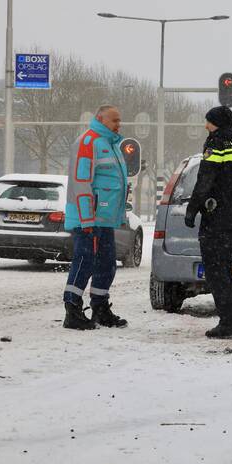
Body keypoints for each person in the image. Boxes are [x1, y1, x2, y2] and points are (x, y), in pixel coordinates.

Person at [185, 106, 232, 339]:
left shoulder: (215, 143)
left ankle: (228, 323)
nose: (206, 126)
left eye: (209, 122)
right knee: (226, 268)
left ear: (218, 123)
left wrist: (192, 209)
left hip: (215, 216)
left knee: (215, 270)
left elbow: (205, 178)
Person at [62, 105, 130, 330]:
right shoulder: (89, 142)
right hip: (88, 219)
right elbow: (82, 182)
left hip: (104, 219)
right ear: (100, 119)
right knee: (84, 262)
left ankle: (100, 308)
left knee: (107, 264)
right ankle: (72, 310)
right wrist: (87, 220)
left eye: (119, 120)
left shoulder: (111, 144)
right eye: (114, 120)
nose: (119, 124)